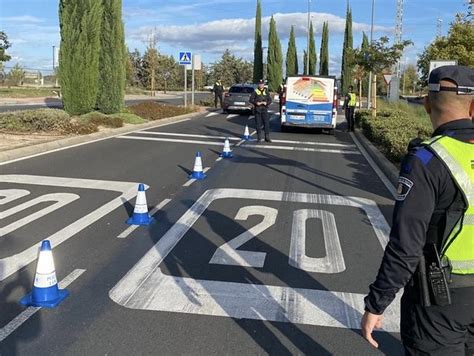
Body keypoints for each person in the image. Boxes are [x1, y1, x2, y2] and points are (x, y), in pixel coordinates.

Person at [361, 65, 474, 354]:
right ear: (473, 107)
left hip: (440, 302)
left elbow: (406, 246)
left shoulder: (426, 161)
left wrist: (377, 303)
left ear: (426, 103)